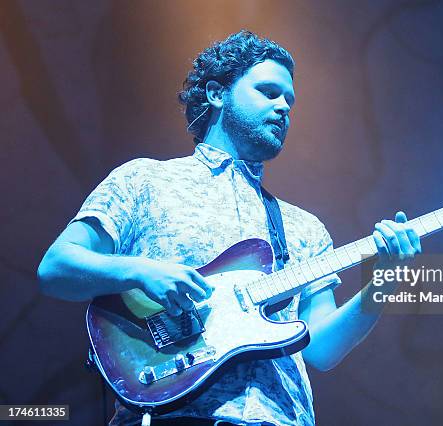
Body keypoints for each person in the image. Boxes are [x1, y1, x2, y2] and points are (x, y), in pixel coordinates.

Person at [37, 30, 421, 426]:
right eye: (269, 92)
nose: (284, 106)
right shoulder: (144, 181)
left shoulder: (304, 227)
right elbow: (56, 268)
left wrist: (383, 286)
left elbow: (321, 350)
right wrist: (141, 270)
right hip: (174, 414)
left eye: (290, 100)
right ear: (217, 94)